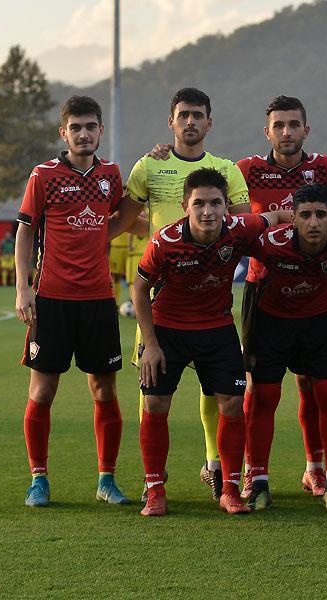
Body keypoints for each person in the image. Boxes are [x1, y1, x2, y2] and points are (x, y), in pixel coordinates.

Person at [132, 168, 285, 517]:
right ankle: (155, 491)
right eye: (199, 203)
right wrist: (151, 345)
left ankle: (230, 490)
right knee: (155, 404)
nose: (207, 211)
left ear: (226, 207)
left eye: (216, 203)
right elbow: (139, 289)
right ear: (185, 206)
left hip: (216, 328)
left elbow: (276, 216)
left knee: (233, 403)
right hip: (167, 330)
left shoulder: (239, 228)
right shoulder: (164, 241)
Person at [14, 95, 144, 507]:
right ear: (64, 133)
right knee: (42, 391)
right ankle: (39, 479)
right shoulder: (44, 175)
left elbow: (126, 217)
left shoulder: (110, 175)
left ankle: (107, 480)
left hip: (98, 300)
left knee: (104, 391)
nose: (83, 134)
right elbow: (25, 231)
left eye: (90, 127)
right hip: (51, 299)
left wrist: (147, 227)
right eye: (76, 128)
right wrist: (23, 287)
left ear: (100, 130)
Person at [124, 87, 250, 503]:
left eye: (198, 115)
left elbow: (252, 225)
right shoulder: (150, 165)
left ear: (209, 122)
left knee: (221, 394)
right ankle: (154, 484)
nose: (191, 121)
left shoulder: (226, 170)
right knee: (153, 394)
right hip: (163, 303)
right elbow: (123, 219)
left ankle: (218, 471)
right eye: (184, 115)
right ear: (171, 122)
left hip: (213, 308)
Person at [237, 95, 327, 498]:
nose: (287, 132)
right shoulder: (247, 169)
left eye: (294, 124)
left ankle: (315, 468)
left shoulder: (325, 167)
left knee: (313, 386)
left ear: (306, 129)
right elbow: (211, 195)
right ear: (267, 131)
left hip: (313, 287)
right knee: (260, 389)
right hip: (263, 288)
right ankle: (253, 472)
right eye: (279, 125)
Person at [244, 184, 327, 512]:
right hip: (271, 322)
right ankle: (257, 480)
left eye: (321, 215)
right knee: (265, 396)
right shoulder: (269, 242)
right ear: (292, 219)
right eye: (305, 215)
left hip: (319, 322)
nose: (313, 223)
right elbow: (232, 236)